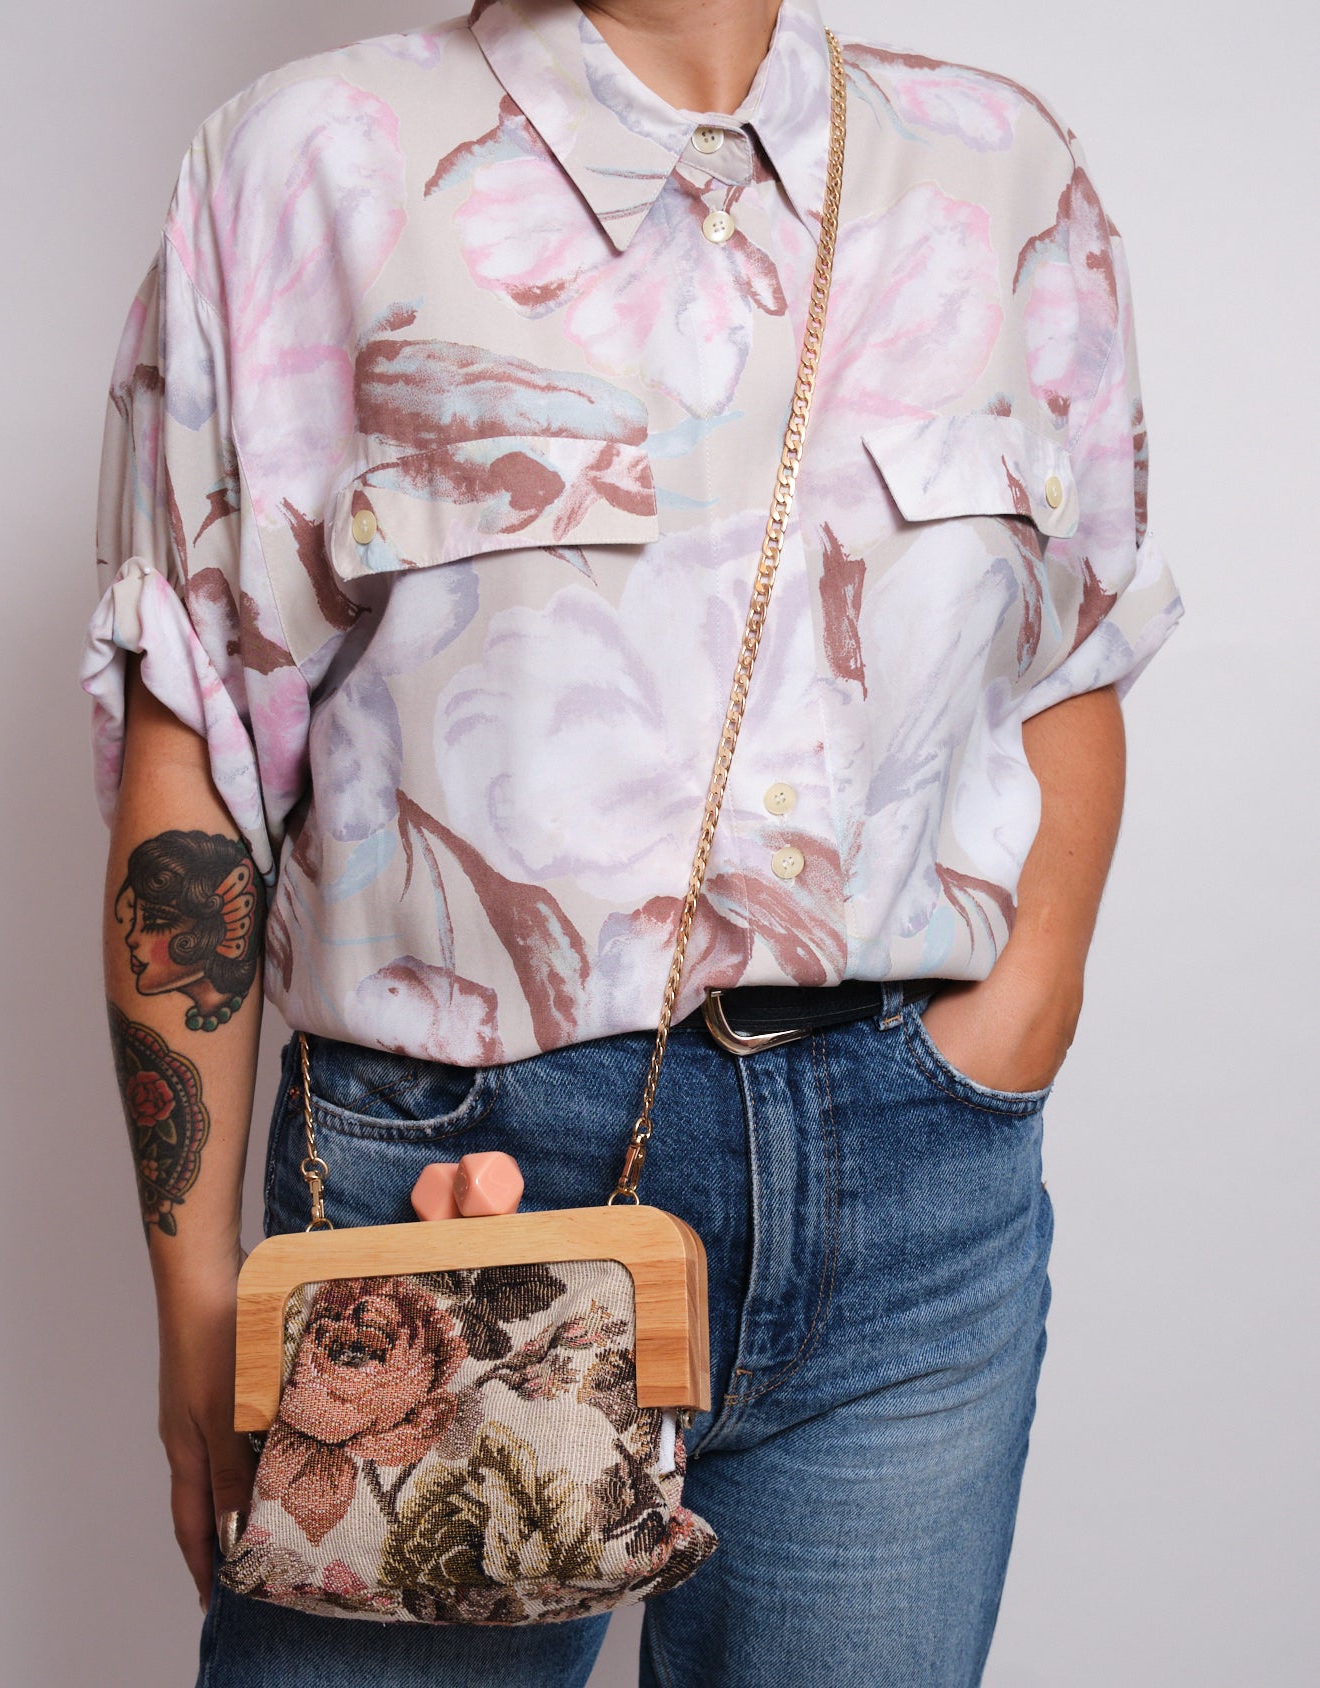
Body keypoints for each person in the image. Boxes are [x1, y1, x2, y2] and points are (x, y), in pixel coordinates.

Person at [82, 0, 1184, 1682]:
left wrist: (1018, 1018)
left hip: (910, 1208)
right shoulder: (313, 157)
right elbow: (199, 741)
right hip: (448, 1203)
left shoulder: (997, 161)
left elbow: (1072, 646)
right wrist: (196, 1294)